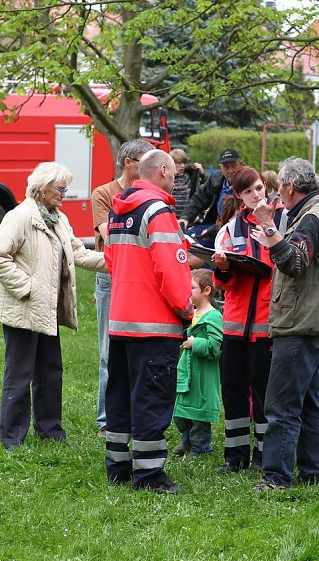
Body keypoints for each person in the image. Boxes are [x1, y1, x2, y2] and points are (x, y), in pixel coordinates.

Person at [0, 162, 106, 450]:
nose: (64, 194)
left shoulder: (59, 219)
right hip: (23, 310)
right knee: (20, 373)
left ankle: (50, 430)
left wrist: (117, 262)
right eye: (60, 188)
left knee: (50, 371)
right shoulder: (20, 217)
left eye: (66, 188)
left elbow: (78, 252)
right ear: (41, 188)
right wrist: (28, 289)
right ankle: (12, 437)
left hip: (48, 311)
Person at [249, 157, 319, 491]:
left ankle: (276, 478)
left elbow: (295, 263)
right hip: (315, 321)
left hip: (300, 323)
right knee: (307, 401)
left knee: (283, 405)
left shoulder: (309, 219)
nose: (277, 195)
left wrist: (272, 230)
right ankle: (313, 472)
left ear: (289, 187)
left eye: (279, 189)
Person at [103, 149, 194, 495]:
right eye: (173, 174)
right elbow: (170, 270)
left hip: (122, 320)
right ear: (162, 173)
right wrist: (187, 309)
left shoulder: (118, 209)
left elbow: (112, 262)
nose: (175, 179)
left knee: (121, 397)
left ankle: (118, 467)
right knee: (152, 399)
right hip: (155, 324)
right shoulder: (158, 211)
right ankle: (150, 476)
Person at [211, 167, 287, 472]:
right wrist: (224, 268)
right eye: (248, 191)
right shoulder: (231, 229)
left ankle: (264, 456)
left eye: (259, 188)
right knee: (233, 391)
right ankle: (235, 457)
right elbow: (222, 285)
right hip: (234, 324)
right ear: (239, 196)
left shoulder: (281, 221)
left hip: (268, 324)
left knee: (264, 393)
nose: (256, 195)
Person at [91, 139, 154, 437]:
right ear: (128, 162)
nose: (151, 165)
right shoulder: (103, 194)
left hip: (143, 276)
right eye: (145, 159)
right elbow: (110, 235)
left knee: (140, 348)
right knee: (109, 351)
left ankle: (132, 415)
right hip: (112, 277)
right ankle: (107, 421)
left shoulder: (152, 193)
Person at [172, 269, 223, 459]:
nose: (187, 291)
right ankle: (187, 441)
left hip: (201, 374)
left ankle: (201, 447)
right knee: (179, 412)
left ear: (206, 290)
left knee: (198, 416)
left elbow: (215, 347)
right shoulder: (191, 313)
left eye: (192, 287)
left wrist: (195, 343)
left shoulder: (213, 316)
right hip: (187, 372)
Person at [178, 148, 244, 247]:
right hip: (214, 224)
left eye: (234, 166)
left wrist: (213, 229)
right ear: (220, 167)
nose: (230, 171)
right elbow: (199, 198)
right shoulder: (215, 179)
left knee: (196, 250)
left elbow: (239, 216)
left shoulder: (246, 182)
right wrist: (185, 218)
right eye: (226, 167)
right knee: (184, 238)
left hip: (234, 230)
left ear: (241, 164)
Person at [169, 149, 205, 219]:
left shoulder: (190, 175)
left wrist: (202, 174)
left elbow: (209, 185)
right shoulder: (167, 177)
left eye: (184, 163)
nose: (182, 166)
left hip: (188, 218)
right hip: (171, 218)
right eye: (179, 163)